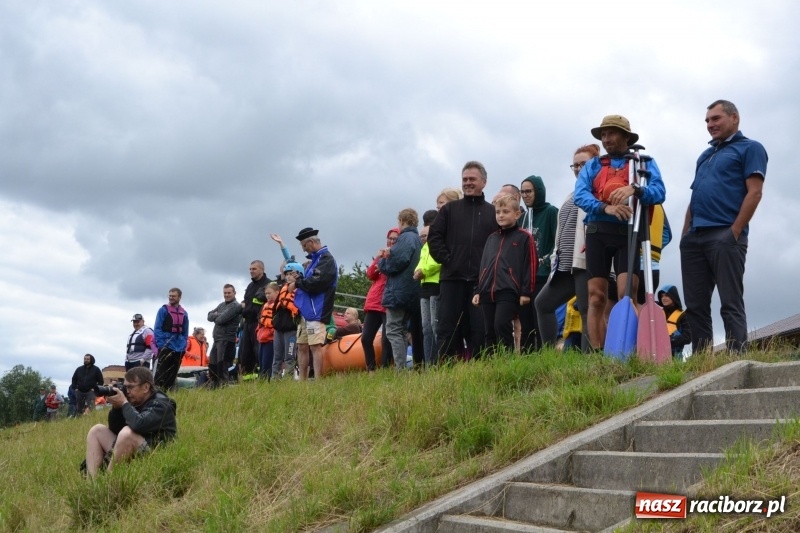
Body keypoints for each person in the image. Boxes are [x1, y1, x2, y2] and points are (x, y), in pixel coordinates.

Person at [680, 100, 767, 353]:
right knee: (695, 305)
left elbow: (755, 192)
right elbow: (695, 196)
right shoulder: (705, 156)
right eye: (707, 120)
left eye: (716, 118)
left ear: (734, 118)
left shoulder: (751, 148)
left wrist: (735, 231)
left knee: (730, 301)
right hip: (695, 237)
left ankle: (737, 357)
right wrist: (685, 235)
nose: (710, 124)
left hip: (725, 234)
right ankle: (702, 360)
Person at [573, 115, 666, 350]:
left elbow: (659, 191)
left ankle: (628, 351)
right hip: (598, 231)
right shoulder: (594, 165)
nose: (606, 139)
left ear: (626, 137)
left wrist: (635, 189)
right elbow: (580, 195)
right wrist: (606, 208)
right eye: (603, 135)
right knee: (596, 297)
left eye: (612, 133)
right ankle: (598, 354)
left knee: (627, 292)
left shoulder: (643, 163)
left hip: (629, 232)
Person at [428, 161, 498, 362]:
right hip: (452, 279)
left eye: (472, 179)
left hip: (480, 282)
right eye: (464, 179)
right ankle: (444, 370)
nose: (467, 183)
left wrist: (489, 270)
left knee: (479, 329)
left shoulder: (492, 212)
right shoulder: (449, 210)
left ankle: (480, 370)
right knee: (446, 329)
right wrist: (448, 261)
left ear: (483, 182)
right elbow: (434, 238)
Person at [534, 144, 598, 352]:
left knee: (587, 309)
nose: (578, 169)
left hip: (585, 261)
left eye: (583, 164)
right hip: (564, 264)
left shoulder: (598, 190)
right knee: (543, 304)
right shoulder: (571, 195)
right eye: (575, 165)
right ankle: (549, 354)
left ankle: (590, 360)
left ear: (595, 164)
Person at [84, 367, 177, 479]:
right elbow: (115, 429)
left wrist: (124, 403)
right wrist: (117, 408)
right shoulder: (136, 401)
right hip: (134, 450)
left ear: (146, 387)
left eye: (130, 387)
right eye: (125, 387)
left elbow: (138, 424)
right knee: (97, 430)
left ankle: (108, 482)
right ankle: (92, 482)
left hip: (155, 455)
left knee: (127, 434)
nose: (127, 391)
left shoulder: (161, 404)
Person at [472, 194, 536, 352]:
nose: (500, 215)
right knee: (489, 330)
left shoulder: (524, 237)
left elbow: (531, 264)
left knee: (501, 325)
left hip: (508, 289)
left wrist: (526, 291)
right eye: (498, 212)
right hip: (487, 290)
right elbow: (483, 265)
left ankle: (506, 358)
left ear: (517, 214)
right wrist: (477, 290)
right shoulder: (491, 238)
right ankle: (492, 362)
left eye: (505, 211)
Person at [286, 227, 338, 380]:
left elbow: (316, 283)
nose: (303, 249)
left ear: (311, 242)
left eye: (304, 245)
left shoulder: (326, 259)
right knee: (301, 346)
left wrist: (297, 283)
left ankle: (318, 380)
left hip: (317, 311)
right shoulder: (314, 260)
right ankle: (302, 381)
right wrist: (300, 279)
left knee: (315, 346)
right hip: (305, 311)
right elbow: (309, 281)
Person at [519, 175, 559, 351]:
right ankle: (527, 358)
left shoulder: (551, 212)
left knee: (540, 319)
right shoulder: (522, 218)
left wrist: (547, 261)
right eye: (522, 192)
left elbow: (558, 242)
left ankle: (546, 354)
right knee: (526, 323)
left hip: (543, 275)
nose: (525, 195)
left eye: (529, 191)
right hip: (525, 279)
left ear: (539, 191)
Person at [380, 209, 422, 370]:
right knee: (402, 330)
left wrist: (383, 260)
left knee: (393, 330)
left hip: (399, 291)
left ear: (402, 221)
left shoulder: (405, 238)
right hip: (412, 291)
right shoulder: (417, 239)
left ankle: (400, 369)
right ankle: (402, 368)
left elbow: (396, 263)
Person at [362, 229, 398, 371]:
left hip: (389, 301)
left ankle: (385, 369)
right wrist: (378, 258)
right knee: (366, 338)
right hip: (374, 301)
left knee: (386, 339)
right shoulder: (381, 256)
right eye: (390, 238)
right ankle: (371, 369)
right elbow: (370, 274)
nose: (391, 241)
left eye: (395, 239)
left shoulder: (400, 255)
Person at [413, 210, 441, 365]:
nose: (423, 238)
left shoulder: (438, 242)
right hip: (424, 287)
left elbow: (438, 261)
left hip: (436, 285)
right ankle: (429, 363)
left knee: (435, 325)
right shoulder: (424, 248)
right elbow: (421, 263)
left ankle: (438, 361)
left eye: (425, 235)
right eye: (422, 236)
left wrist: (423, 271)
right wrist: (417, 271)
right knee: (425, 327)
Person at [207, 284, 243, 388]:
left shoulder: (236, 306)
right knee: (212, 365)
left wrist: (217, 315)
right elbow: (209, 316)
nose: (226, 295)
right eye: (225, 293)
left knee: (222, 366)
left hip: (227, 340)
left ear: (234, 293)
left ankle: (223, 387)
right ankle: (214, 387)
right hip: (217, 339)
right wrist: (218, 315)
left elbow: (221, 320)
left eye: (229, 293)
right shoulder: (221, 305)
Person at [153, 288, 189, 390]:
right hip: (166, 345)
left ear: (179, 297)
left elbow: (185, 331)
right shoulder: (163, 310)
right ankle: (158, 393)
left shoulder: (184, 313)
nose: (171, 298)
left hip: (179, 347)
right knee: (161, 373)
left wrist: (184, 345)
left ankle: (168, 392)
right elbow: (157, 328)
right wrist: (162, 345)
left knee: (172, 374)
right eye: (170, 296)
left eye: (173, 296)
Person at [271, 263, 302, 379]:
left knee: (289, 357)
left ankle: (288, 380)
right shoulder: (282, 289)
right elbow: (275, 307)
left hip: (291, 329)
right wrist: (274, 320)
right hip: (279, 328)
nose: (288, 276)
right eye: (287, 274)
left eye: (291, 274)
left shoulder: (300, 290)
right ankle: (274, 380)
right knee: (277, 357)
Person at [240, 260, 270, 376]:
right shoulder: (250, 286)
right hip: (247, 323)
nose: (251, 271)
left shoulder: (268, 284)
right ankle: (248, 380)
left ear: (262, 270)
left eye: (254, 269)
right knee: (245, 354)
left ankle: (262, 377)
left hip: (260, 324)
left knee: (258, 352)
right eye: (250, 269)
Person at [657, 285, 692, 358]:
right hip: (659, 354)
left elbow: (688, 337)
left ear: (673, 297)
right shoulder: (657, 313)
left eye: (667, 295)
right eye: (662, 296)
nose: (663, 298)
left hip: (676, 355)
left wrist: (672, 340)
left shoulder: (683, 315)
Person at [256, 282, 279, 380]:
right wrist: (258, 332)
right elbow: (260, 320)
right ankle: (262, 381)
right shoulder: (265, 305)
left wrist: (272, 331)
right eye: (266, 294)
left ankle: (267, 381)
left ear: (277, 292)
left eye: (269, 293)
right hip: (262, 338)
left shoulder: (278, 305)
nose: (267, 295)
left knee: (267, 363)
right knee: (261, 362)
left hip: (271, 339)